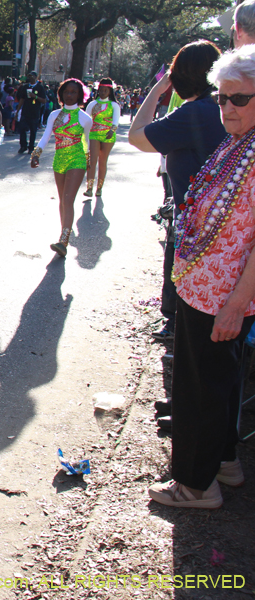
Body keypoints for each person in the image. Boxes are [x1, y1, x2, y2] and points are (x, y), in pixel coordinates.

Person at [144, 44, 255, 508]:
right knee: (218, 385)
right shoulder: (239, 141)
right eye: (221, 96)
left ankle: (194, 484)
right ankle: (223, 463)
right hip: (202, 287)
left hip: (222, 298)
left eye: (239, 98)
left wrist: (234, 303)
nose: (226, 107)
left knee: (199, 392)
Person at [128, 41, 225, 345]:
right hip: (219, 222)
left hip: (200, 229)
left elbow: (136, 136)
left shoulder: (195, 112)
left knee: (195, 320)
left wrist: (157, 90)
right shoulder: (219, 106)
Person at [30, 79, 92, 257]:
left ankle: (63, 240)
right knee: (62, 200)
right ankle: (64, 233)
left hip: (77, 160)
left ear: (80, 95)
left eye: (74, 92)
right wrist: (36, 153)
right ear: (61, 94)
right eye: (66, 92)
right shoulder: (54, 115)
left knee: (68, 199)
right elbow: (46, 136)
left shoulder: (85, 119)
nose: (70, 95)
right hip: (59, 160)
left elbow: (87, 142)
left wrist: (88, 164)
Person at [84, 78, 122, 198]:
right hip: (94, 133)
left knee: (103, 161)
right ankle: (89, 188)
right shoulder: (92, 104)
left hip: (108, 135)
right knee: (92, 160)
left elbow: (115, 121)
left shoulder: (114, 105)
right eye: (100, 90)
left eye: (105, 90)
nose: (102, 93)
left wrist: (112, 130)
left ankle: (99, 188)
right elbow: (86, 119)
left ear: (110, 91)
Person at [15, 71, 46, 153]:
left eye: (32, 76)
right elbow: (22, 99)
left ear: (36, 77)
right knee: (22, 129)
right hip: (25, 111)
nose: (30, 78)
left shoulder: (40, 87)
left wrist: (35, 96)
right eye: (29, 76)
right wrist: (18, 111)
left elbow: (44, 100)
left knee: (33, 130)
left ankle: (31, 147)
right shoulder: (25, 87)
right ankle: (23, 146)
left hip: (34, 112)